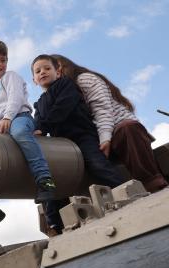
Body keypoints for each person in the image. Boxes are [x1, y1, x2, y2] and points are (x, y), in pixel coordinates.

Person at [31, 55, 125, 231]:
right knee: (51, 176)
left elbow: (63, 107)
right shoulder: (39, 103)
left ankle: (123, 189)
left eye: (47, 68)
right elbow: (39, 122)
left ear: (58, 72)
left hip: (82, 135)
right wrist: (36, 131)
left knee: (97, 164)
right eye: (38, 71)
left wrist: (44, 127)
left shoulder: (66, 85)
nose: (42, 72)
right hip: (61, 144)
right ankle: (55, 223)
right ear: (34, 80)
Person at [0, 39, 58, 236]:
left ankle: (45, 179)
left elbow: (16, 98)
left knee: (21, 133)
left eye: (3, 60)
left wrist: (7, 117)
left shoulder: (10, 77)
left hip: (19, 118)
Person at [52, 54, 167, 193]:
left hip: (116, 130)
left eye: (52, 67)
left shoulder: (83, 79)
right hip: (90, 140)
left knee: (127, 128)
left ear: (63, 67)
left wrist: (105, 138)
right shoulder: (55, 96)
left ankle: (152, 183)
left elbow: (102, 110)